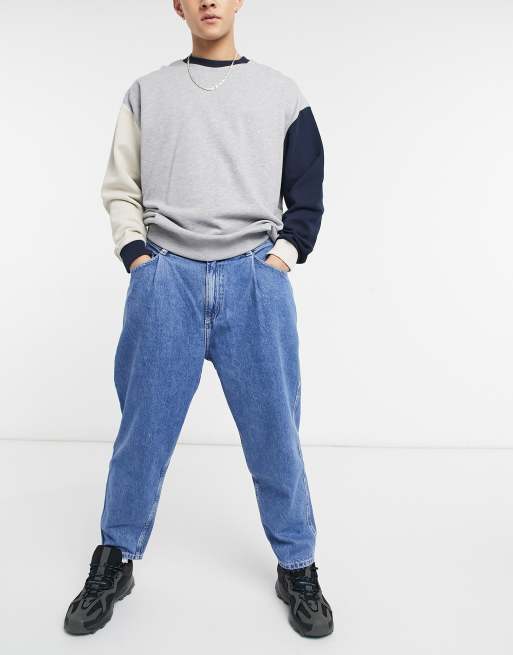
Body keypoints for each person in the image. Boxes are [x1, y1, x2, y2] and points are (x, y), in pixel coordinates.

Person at [63, 0, 333, 639]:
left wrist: (283, 257)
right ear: (178, 5)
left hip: (255, 280)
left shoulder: (281, 93)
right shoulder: (147, 92)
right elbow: (120, 185)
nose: (210, 1)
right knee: (143, 431)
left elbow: (308, 191)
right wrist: (137, 256)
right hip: (166, 278)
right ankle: (115, 559)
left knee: (275, 432)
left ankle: (297, 564)